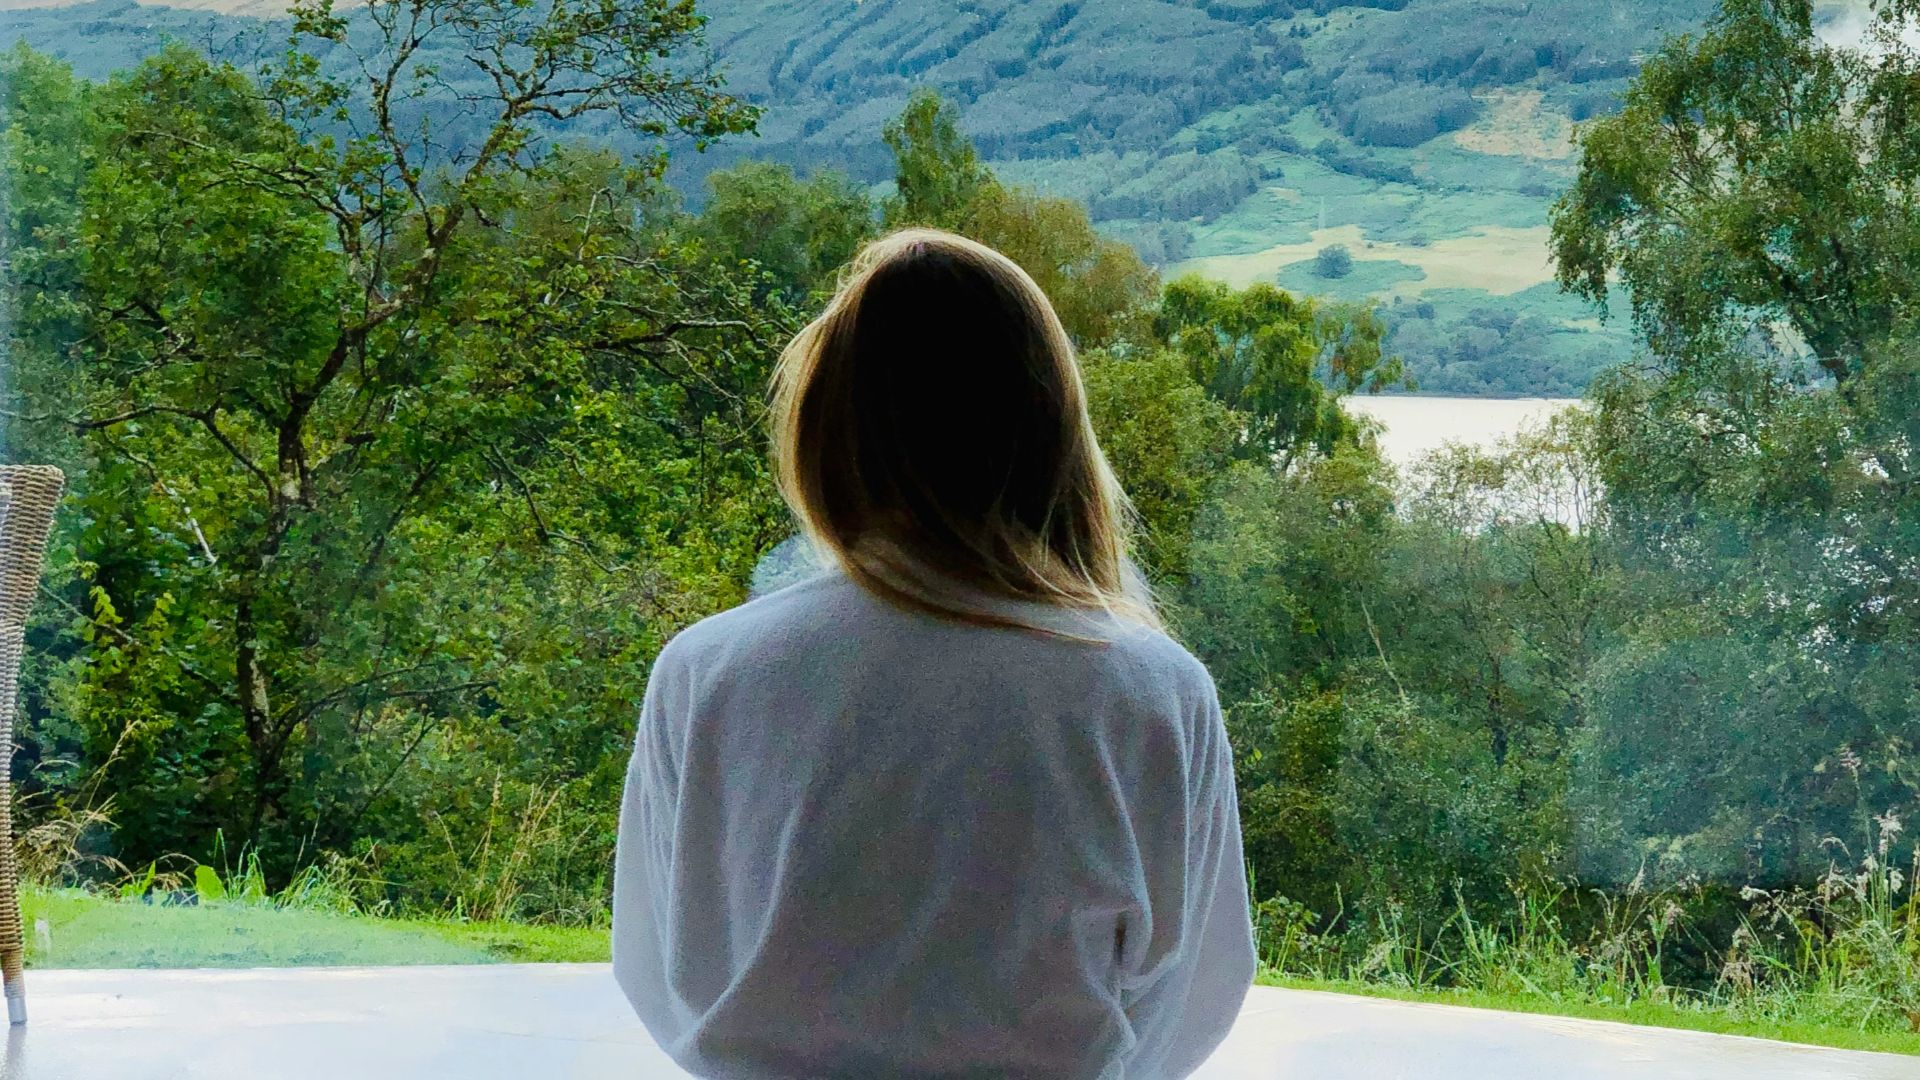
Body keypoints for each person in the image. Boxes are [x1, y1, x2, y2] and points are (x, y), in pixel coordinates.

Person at [612, 229, 1255, 1078]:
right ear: (1049, 428)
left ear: (825, 429)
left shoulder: (707, 672)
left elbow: (660, 970)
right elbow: (1191, 1005)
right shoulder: (1152, 691)